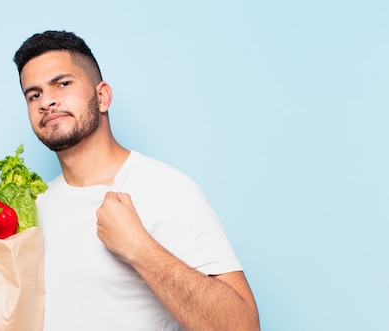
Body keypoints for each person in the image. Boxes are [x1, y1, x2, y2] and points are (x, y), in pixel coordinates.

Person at [13, 30, 260, 331]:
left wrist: (138, 247)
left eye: (62, 84)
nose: (47, 101)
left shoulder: (166, 190)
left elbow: (243, 326)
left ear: (102, 96)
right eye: (34, 94)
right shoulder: (32, 207)